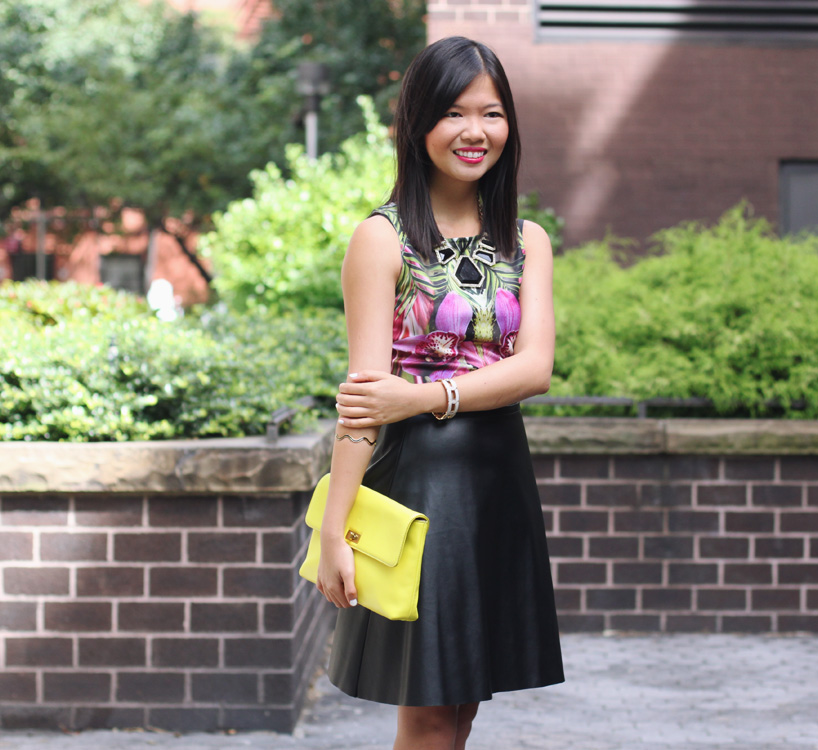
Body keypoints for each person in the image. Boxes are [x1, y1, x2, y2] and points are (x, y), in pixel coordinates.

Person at [314, 36, 565, 750]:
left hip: (498, 479)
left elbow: (535, 369)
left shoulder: (527, 240)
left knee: (463, 706)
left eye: (491, 113)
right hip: (418, 484)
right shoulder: (382, 238)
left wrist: (425, 397)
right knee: (427, 708)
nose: (474, 131)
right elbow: (365, 402)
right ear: (418, 122)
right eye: (454, 113)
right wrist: (334, 530)